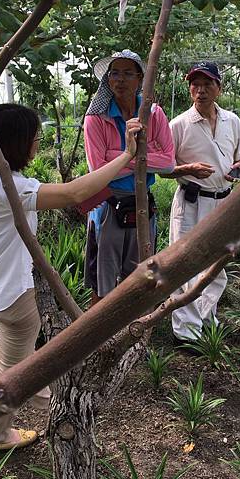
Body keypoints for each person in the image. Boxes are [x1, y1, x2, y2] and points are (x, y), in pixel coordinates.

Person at [0, 103, 141, 454]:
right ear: (16, 143)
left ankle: (38, 396)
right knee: (11, 371)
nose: (37, 144)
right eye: (34, 138)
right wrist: (126, 156)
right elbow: (73, 193)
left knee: (14, 355)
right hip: (11, 296)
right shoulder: (7, 187)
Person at [83, 49, 175, 304]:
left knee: (140, 272)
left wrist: (122, 156)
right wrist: (141, 156)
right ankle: (98, 333)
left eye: (127, 73)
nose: (119, 80)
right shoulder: (96, 118)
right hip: (108, 203)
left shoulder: (154, 114)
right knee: (102, 277)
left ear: (140, 79)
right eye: (114, 73)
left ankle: (132, 331)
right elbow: (97, 170)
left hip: (143, 203)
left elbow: (168, 163)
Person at [167, 62, 240, 344]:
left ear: (219, 88)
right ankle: (185, 333)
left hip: (222, 203)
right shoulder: (178, 125)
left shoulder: (232, 121)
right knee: (182, 264)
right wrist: (187, 169)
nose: (200, 90)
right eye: (195, 84)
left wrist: (237, 168)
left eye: (207, 84)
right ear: (190, 89)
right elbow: (164, 167)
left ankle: (204, 319)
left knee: (215, 265)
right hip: (190, 201)